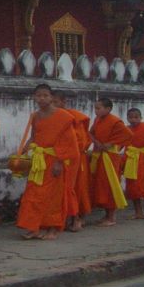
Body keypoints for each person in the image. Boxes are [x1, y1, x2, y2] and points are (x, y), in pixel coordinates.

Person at [15, 83, 78, 240]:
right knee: (33, 194)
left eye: (45, 95)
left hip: (54, 159)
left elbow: (68, 141)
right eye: (38, 95)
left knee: (52, 196)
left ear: (51, 97)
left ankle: (53, 228)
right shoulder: (35, 116)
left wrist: (59, 162)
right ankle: (34, 226)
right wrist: (21, 152)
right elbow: (34, 136)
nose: (42, 98)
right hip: (38, 160)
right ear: (34, 97)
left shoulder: (63, 117)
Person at [52, 89, 91, 232]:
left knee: (72, 188)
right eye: (51, 103)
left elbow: (80, 141)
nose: (53, 106)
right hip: (54, 157)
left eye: (55, 102)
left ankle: (76, 218)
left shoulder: (73, 117)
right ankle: (58, 219)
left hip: (72, 158)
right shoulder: (49, 117)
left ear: (64, 102)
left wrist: (64, 153)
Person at [89, 98, 132, 227]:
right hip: (99, 154)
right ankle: (106, 215)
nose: (96, 111)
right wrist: (96, 142)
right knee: (101, 185)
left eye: (99, 108)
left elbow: (128, 135)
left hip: (110, 156)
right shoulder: (97, 120)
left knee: (110, 184)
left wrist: (111, 143)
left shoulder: (115, 121)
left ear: (108, 109)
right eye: (95, 108)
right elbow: (90, 133)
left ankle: (112, 216)